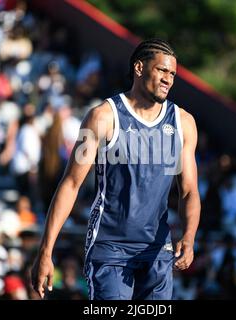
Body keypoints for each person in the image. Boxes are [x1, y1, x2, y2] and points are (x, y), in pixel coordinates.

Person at [31, 38, 200, 300]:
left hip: (157, 249)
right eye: (161, 70)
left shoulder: (183, 123)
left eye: (172, 74)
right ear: (139, 68)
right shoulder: (102, 117)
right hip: (110, 248)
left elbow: (189, 192)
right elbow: (71, 184)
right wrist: (45, 251)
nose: (168, 79)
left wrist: (189, 237)